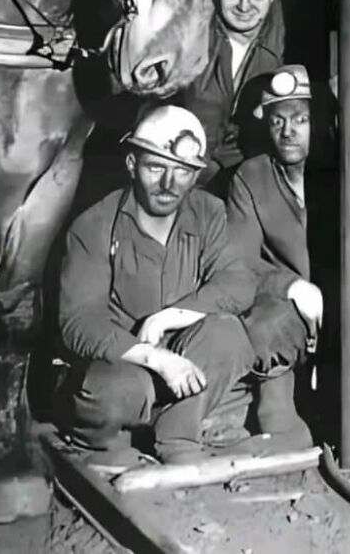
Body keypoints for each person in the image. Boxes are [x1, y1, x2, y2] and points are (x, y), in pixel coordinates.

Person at [57, 105, 256, 466]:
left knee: (229, 334)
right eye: (155, 168)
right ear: (132, 164)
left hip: (189, 355)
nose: (169, 184)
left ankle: (177, 437)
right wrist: (156, 358)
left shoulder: (208, 212)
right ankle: (122, 433)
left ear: (195, 175)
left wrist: (169, 318)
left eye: (182, 172)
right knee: (112, 395)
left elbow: (238, 282)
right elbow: (79, 322)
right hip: (126, 361)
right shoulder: (95, 224)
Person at [226, 64, 323, 450]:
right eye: (278, 120)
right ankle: (277, 411)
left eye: (301, 119)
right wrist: (291, 286)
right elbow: (238, 260)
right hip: (292, 309)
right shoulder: (251, 177)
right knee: (264, 320)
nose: (288, 132)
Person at [174, 0, 285, 196]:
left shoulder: (281, 44)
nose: (244, 6)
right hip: (178, 173)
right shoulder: (188, 37)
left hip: (240, 182)